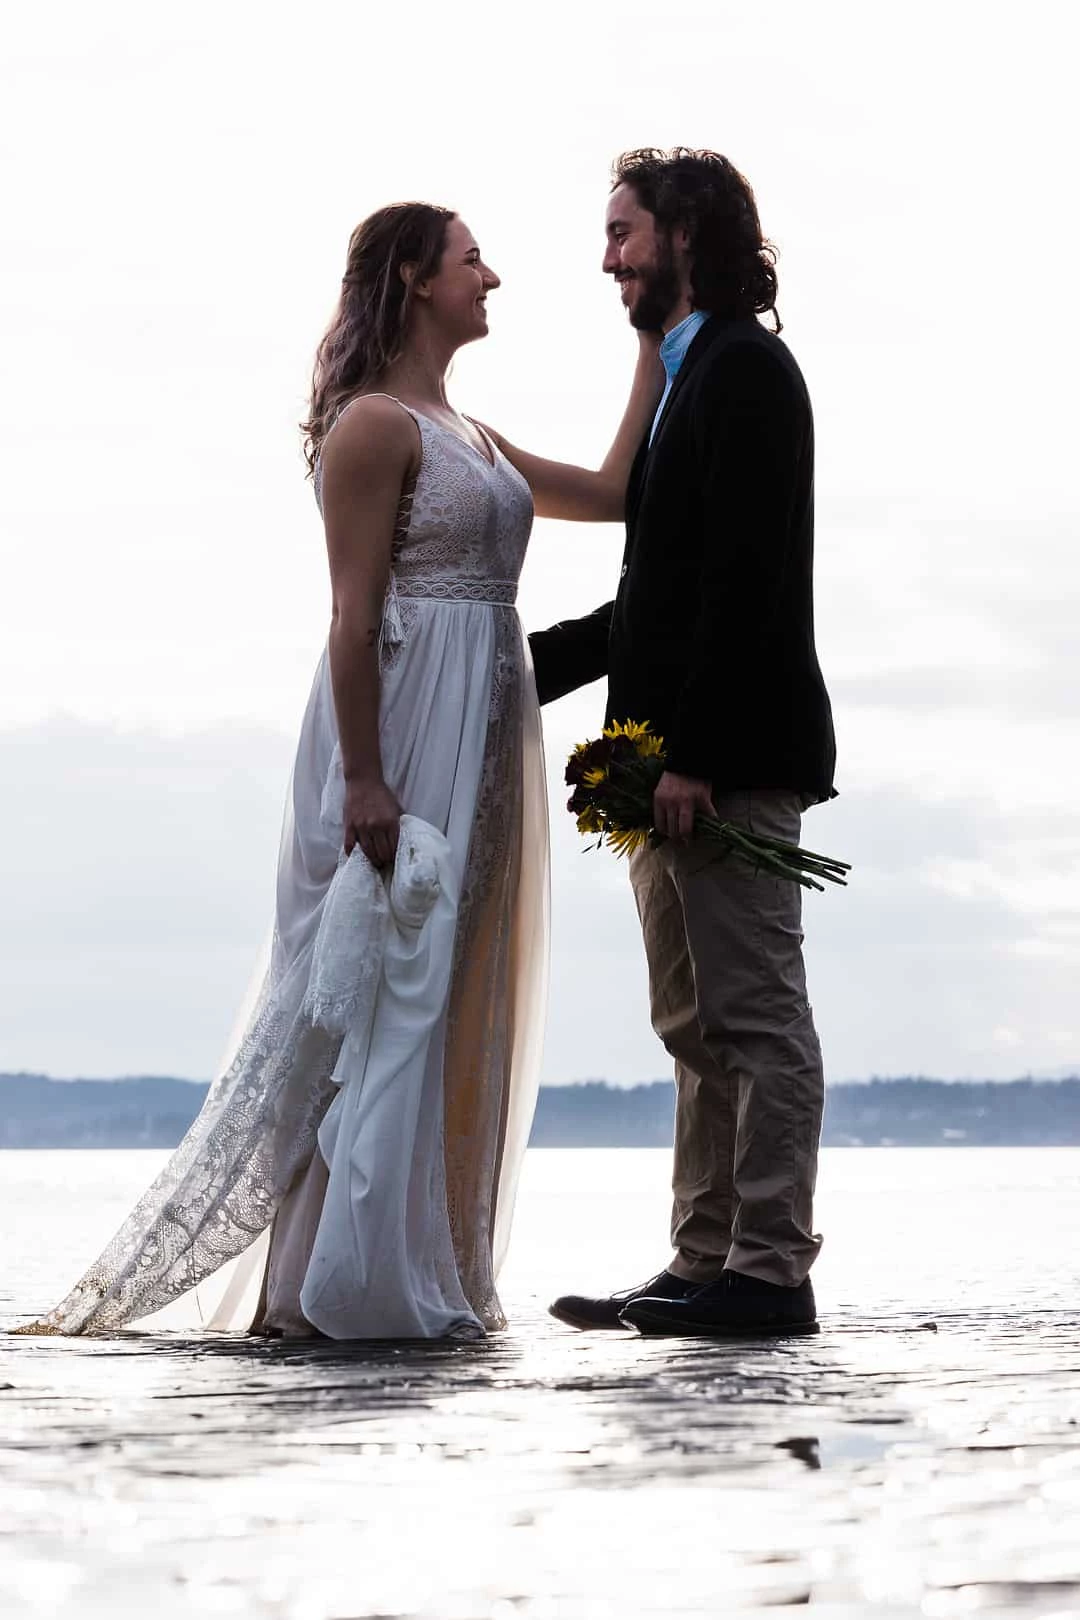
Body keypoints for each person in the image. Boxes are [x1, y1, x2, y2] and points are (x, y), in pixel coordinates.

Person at [16, 203, 662, 1341]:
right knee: (371, 997)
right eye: (473, 261)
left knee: (454, 992)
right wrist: (366, 780)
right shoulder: (373, 427)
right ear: (414, 277)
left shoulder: (473, 431)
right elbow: (352, 619)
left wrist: (656, 333)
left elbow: (615, 493)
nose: (493, 278)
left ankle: (419, 1263)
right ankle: (325, 1283)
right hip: (405, 728)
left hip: (487, 734)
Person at [519, 148, 837, 1337]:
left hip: (728, 766)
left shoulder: (746, 373)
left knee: (757, 1021)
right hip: (666, 772)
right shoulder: (687, 380)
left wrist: (694, 756)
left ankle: (769, 1274)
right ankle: (704, 1258)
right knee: (692, 1029)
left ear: (686, 233)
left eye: (621, 233)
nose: (607, 260)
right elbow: (657, 599)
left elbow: (745, 588)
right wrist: (506, 672)